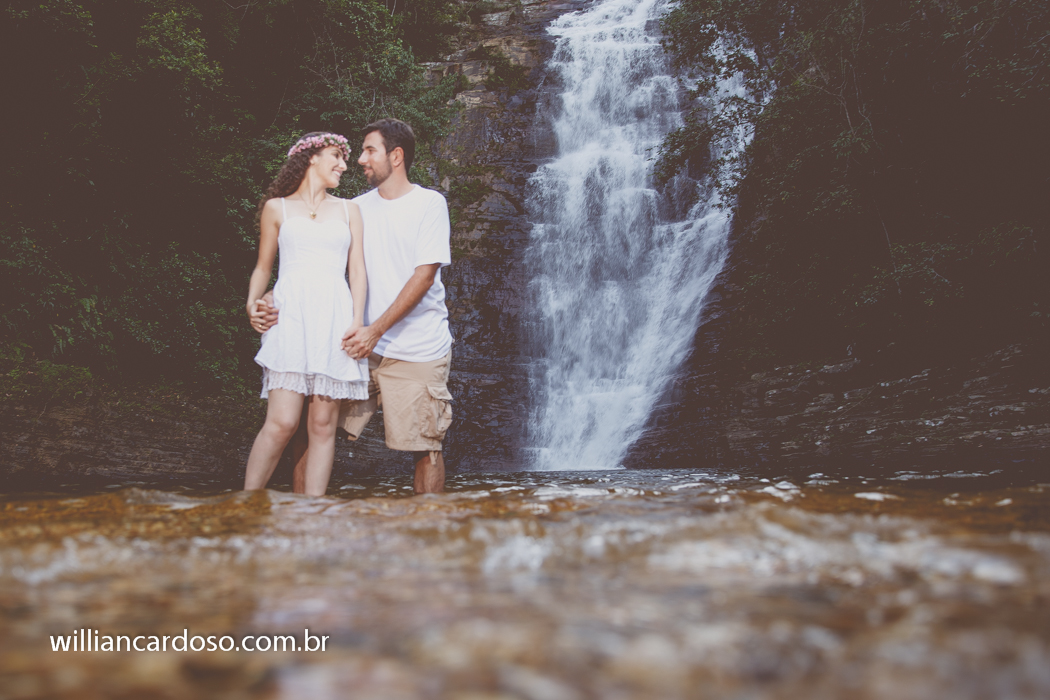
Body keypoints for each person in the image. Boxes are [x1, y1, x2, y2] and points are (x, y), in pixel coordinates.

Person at [252, 119, 454, 494]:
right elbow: (314, 264)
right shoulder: (350, 208)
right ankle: (304, 523)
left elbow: (423, 277)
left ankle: (431, 536)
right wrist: (271, 297)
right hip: (350, 343)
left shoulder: (429, 204)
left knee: (426, 447)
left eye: (369, 151)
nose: (359, 159)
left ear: (396, 156)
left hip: (415, 346)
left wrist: (372, 330)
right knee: (307, 430)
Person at [243, 132, 369, 497]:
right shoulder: (277, 208)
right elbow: (263, 267)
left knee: (322, 424)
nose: (344, 165)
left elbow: (357, 270)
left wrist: (357, 321)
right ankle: (245, 502)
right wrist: (252, 303)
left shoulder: (349, 210)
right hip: (291, 316)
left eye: (346, 159)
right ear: (311, 157)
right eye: (336, 156)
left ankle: (312, 511)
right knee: (282, 422)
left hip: (335, 317)